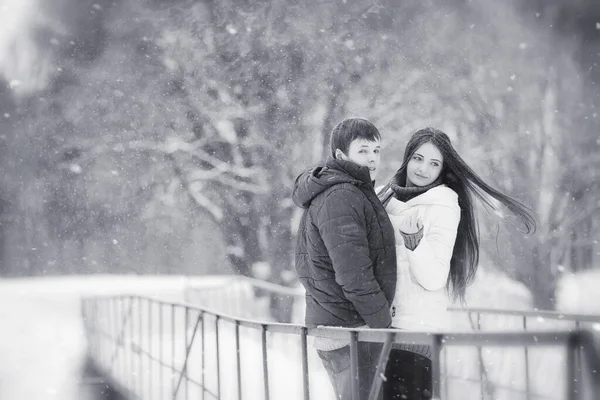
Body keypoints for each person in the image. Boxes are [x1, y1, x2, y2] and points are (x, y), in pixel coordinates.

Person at [377, 127, 536, 400]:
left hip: (414, 332)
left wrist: (414, 241)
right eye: (418, 158)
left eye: (434, 163)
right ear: (407, 158)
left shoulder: (444, 206)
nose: (423, 169)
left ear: (442, 170)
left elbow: (434, 277)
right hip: (376, 329)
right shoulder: (384, 195)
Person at [292, 117, 397, 400]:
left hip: (341, 328)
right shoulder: (342, 195)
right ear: (340, 155)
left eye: (376, 150)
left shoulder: (347, 190)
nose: (373, 158)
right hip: (350, 331)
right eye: (363, 150)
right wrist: (382, 322)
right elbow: (353, 273)